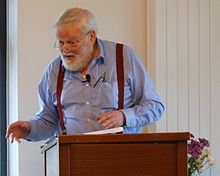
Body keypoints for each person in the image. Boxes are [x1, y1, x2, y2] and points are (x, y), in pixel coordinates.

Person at [6, 7, 164, 143]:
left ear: (91, 37)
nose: (65, 49)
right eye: (61, 42)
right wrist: (29, 129)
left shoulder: (123, 58)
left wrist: (124, 117)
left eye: (73, 42)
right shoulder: (54, 71)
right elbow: (49, 122)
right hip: (72, 160)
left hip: (121, 156)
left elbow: (155, 106)